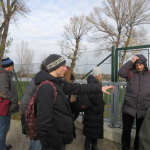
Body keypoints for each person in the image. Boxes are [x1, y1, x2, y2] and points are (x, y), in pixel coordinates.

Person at [34, 54, 114, 150]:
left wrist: (100, 88)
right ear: (54, 67)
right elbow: (43, 123)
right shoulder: (47, 88)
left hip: (58, 138)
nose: (66, 69)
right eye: (63, 66)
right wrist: (57, 142)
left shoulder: (56, 83)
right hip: (54, 143)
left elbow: (79, 88)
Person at [118, 54, 150, 150]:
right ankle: (125, 147)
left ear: (144, 64)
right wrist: (130, 62)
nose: (139, 67)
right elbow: (120, 72)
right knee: (126, 130)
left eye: (140, 65)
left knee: (140, 132)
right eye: (136, 65)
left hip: (144, 108)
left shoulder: (149, 74)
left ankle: (137, 147)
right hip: (129, 107)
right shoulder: (131, 73)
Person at [19, 61, 47, 150]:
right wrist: (34, 120)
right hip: (38, 124)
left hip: (42, 124)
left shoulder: (49, 82)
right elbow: (23, 105)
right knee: (36, 146)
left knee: (34, 145)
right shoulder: (36, 82)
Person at [83, 67, 105, 150]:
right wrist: (98, 103)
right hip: (93, 110)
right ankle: (87, 147)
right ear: (98, 75)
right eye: (101, 74)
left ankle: (94, 146)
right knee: (91, 130)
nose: (102, 75)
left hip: (95, 110)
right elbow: (90, 95)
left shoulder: (94, 82)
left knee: (94, 129)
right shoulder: (93, 83)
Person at [0, 56, 19, 150]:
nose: (13, 66)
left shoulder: (5, 74)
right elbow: (5, 91)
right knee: (3, 128)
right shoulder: (3, 75)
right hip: (3, 106)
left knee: (2, 128)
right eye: (12, 65)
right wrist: (14, 100)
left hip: (3, 105)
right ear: (8, 66)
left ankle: (2, 145)